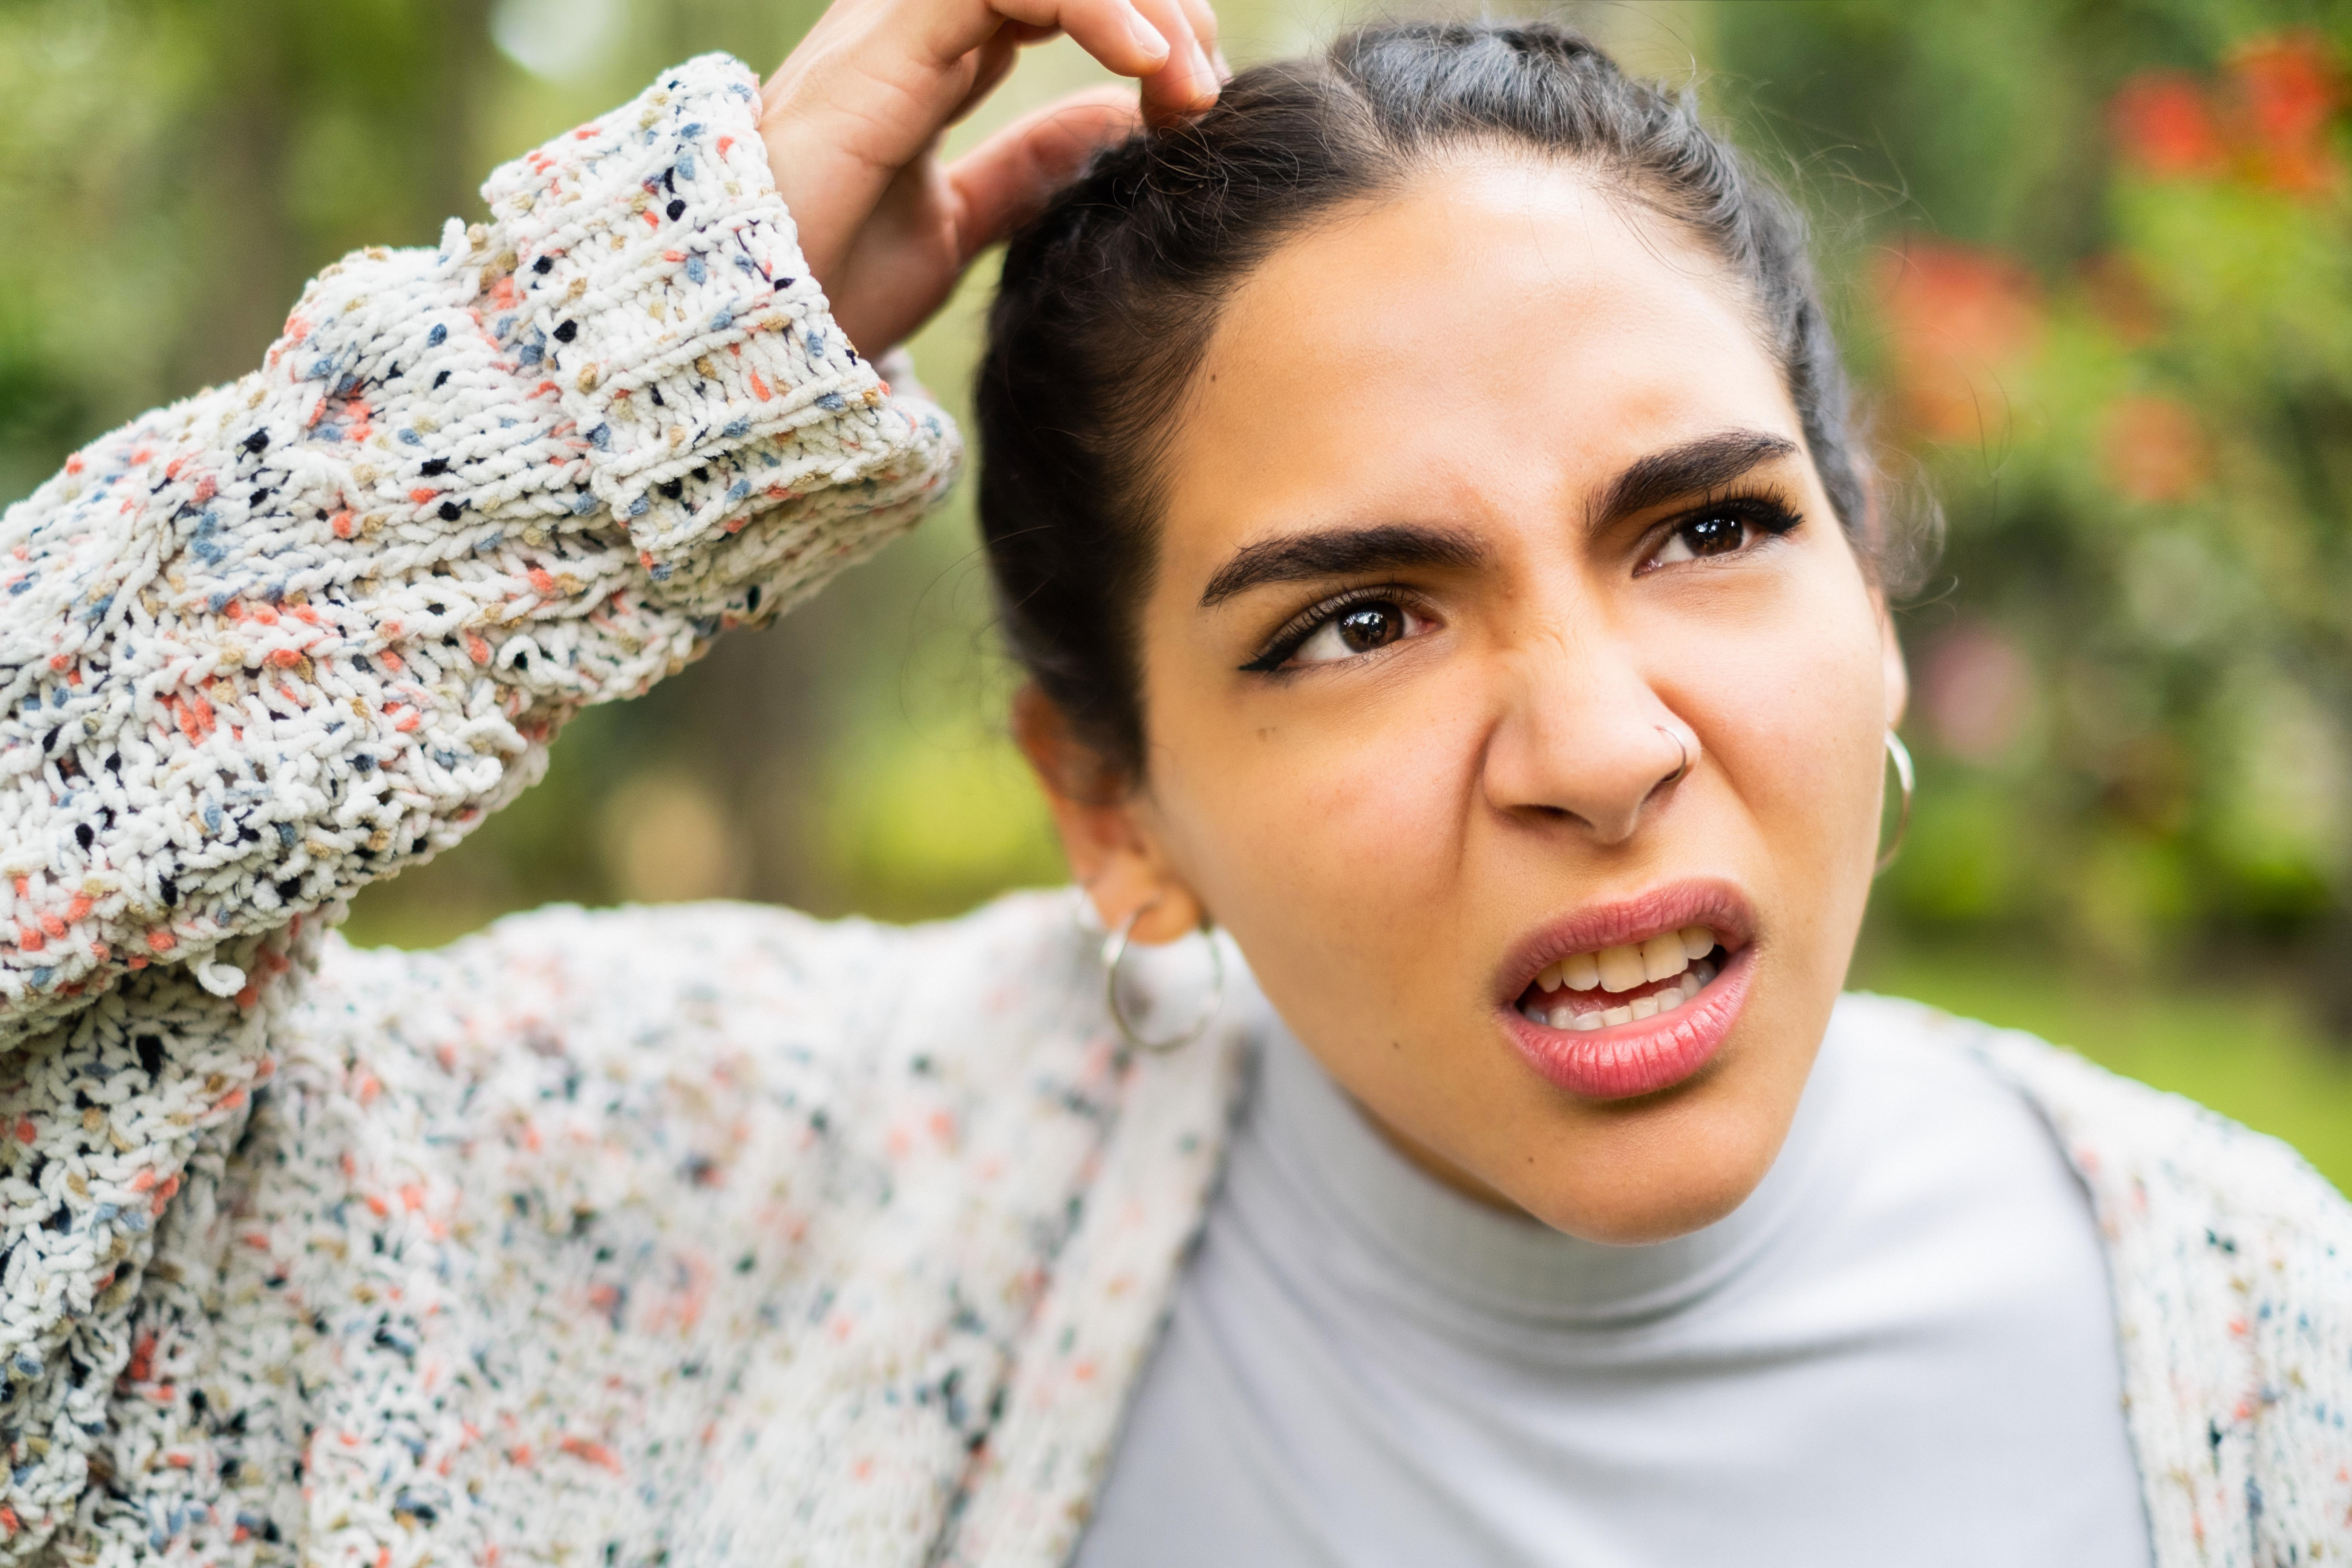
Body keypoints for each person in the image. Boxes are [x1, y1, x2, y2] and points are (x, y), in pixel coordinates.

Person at [0, 2, 2340, 1563]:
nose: (1609, 750)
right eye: (1357, 619)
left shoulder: (2269, 1354)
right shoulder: (743, 1206)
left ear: (1871, 582)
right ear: (1111, 806)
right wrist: (611, 373)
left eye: (1713, 527)